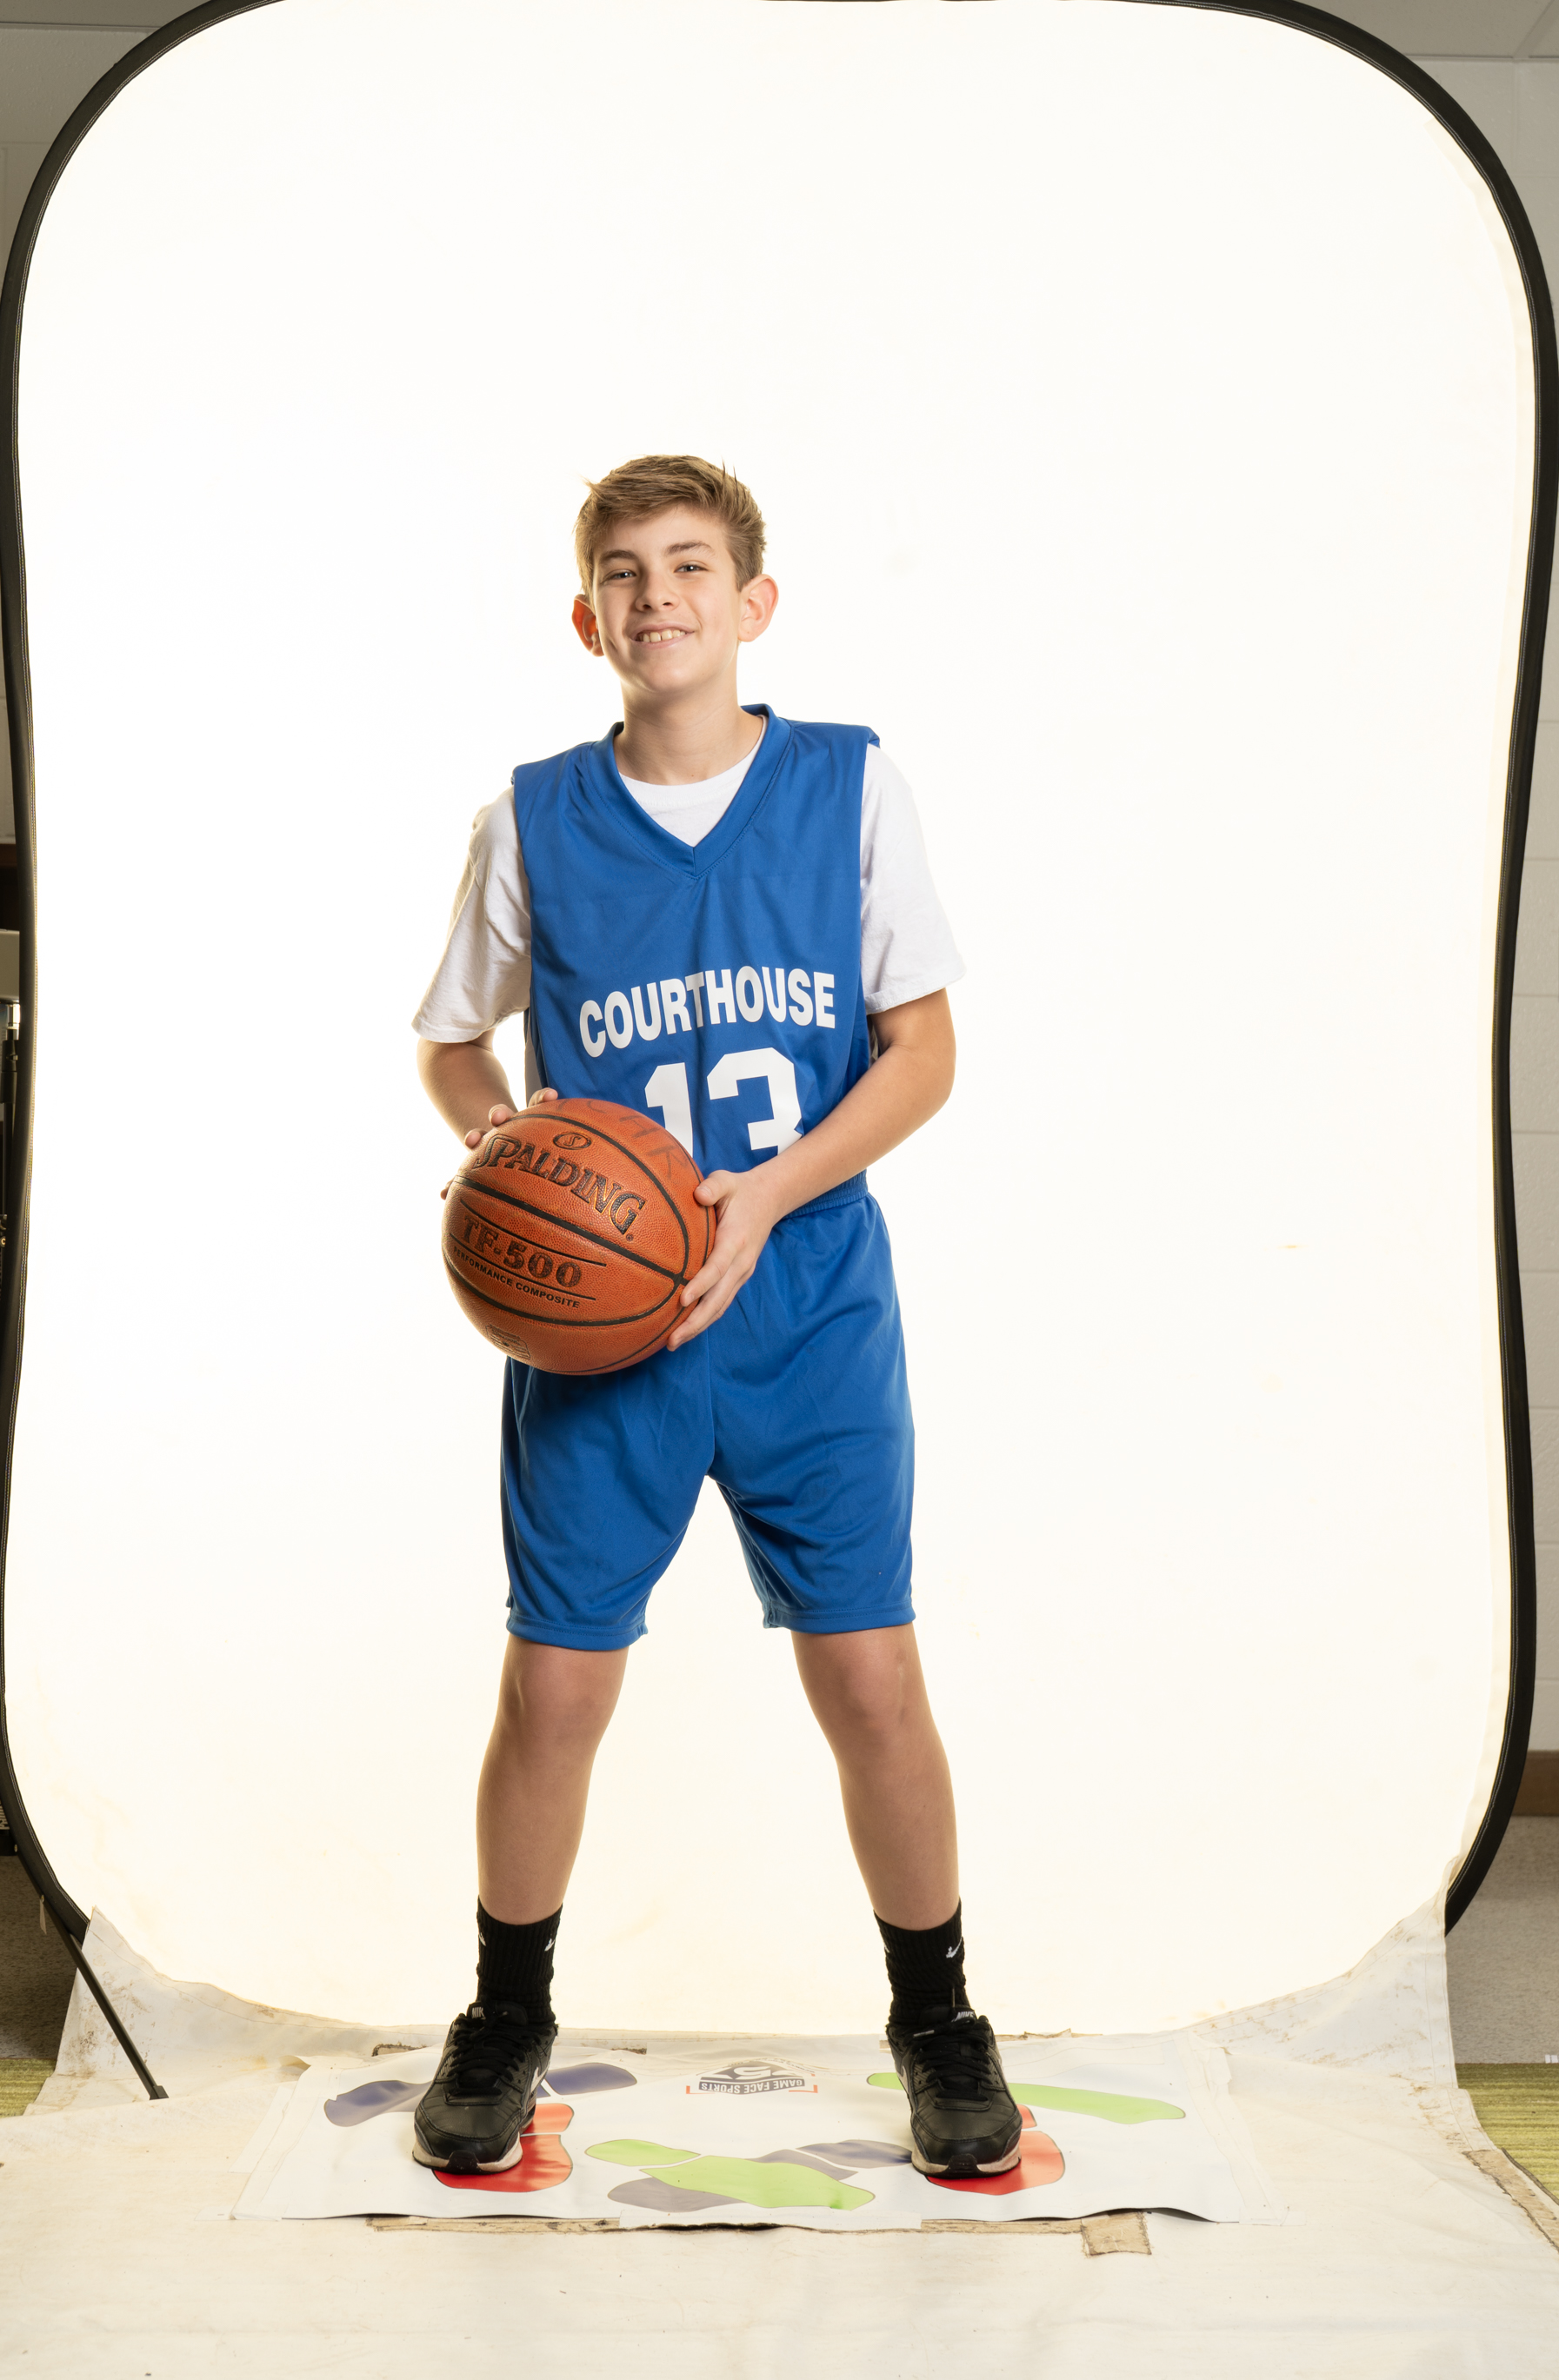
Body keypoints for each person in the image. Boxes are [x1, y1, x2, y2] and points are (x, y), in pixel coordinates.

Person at [410, 453, 1020, 2181]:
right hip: (601, 1337)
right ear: (584, 618)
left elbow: (924, 1053)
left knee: (871, 1675)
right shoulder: (531, 816)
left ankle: (938, 2018)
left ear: (753, 602)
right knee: (552, 1687)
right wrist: (511, 1153)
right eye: (622, 569)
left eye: (689, 564)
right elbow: (452, 1047)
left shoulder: (847, 782)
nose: (655, 592)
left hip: (807, 1304)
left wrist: (761, 1192)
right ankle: (505, 2011)